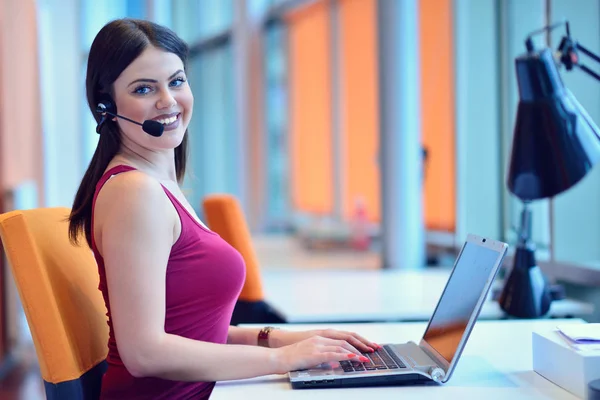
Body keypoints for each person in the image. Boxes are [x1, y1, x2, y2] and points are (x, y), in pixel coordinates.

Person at [68, 18, 377, 400]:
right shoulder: (135, 193)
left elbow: (194, 332)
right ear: (107, 105)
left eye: (176, 81)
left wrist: (288, 340)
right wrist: (286, 359)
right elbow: (144, 353)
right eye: (144, 88)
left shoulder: (157, 185)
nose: (168, 101)